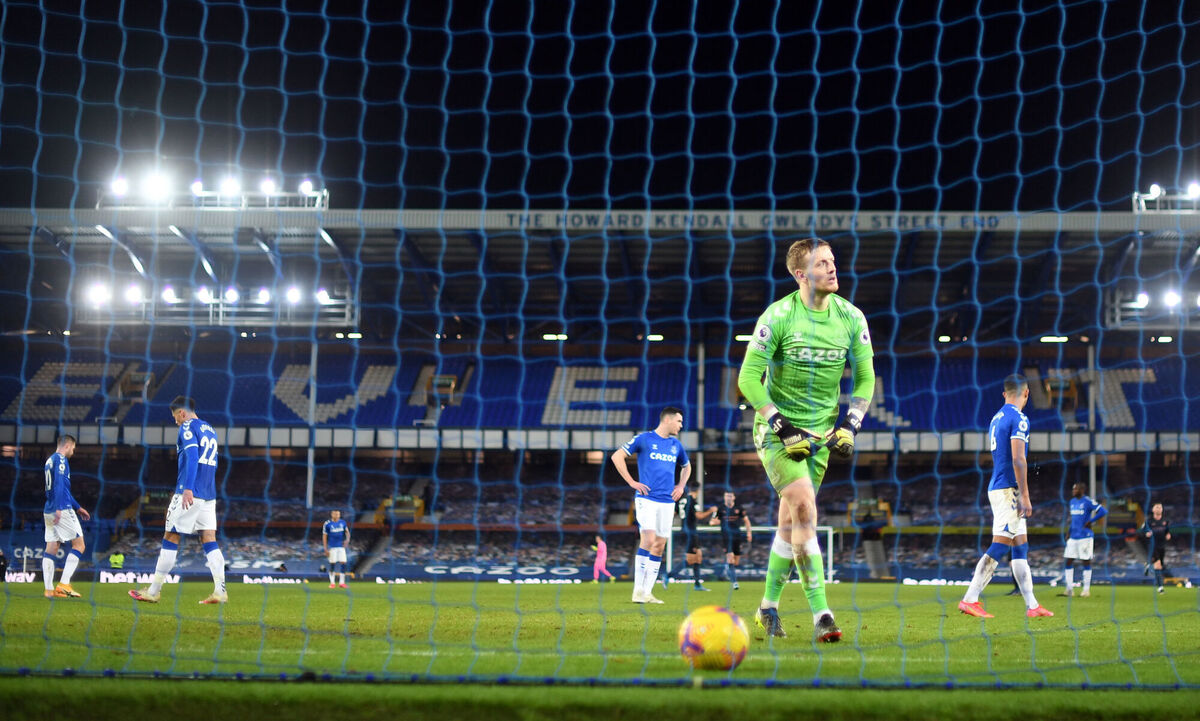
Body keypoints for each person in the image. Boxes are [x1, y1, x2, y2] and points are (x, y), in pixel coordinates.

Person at [737, 238, 875, 642]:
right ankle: (822, 615)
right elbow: (748, 379)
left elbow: (865, 376)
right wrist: (780, 425)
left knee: (789, 524)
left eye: (833, 261)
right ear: (800, 274)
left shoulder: (851, 317)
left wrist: (851, 421)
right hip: (778, 432)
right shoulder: (777, 316)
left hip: (820, 436)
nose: (833, 268)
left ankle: (767, 608)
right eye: (822, 263)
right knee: (804, 507)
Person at [958, 375, 1053, 619]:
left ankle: (1032, 606)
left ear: (1004, 394)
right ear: (1027, 393)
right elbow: (1018, 458)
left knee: (1021, 546)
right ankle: (970, 599)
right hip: (1009, 489)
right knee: (1001, 543)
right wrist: (1025, 495)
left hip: (998, 485)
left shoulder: (996, 417)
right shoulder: (1019, 418)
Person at [131, 396, 227, 605]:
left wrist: (188, 489)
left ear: (182, 413)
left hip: (191, 491)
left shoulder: (186, 427)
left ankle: (154, 591)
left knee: (171, 536)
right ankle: (220, 591)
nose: (175, 421)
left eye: (175, 417)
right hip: (209, 494)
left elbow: (192, 457)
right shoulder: (209, 429)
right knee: (209, 538)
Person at [610, 406, 691, 604]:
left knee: (660, 545)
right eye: (679, 421)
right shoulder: (644, 439)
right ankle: (637, 590)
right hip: (646, 498)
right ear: (668, 420)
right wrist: (632, 482)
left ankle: (647, 592)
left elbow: (686, 467)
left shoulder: (676, 445)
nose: (681, 425)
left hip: (667, 501)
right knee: (648, 539)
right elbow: (616, 456)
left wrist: (680, 486)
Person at [42, 434, 90, 599]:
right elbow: (59, 485)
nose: (73, 453)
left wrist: (78, 507)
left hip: (48, 509)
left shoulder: (49, 461)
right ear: (68, 446)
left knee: (52, 548)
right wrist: (60, 508)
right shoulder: (62, 460)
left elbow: (61, 489)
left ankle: (49, 590)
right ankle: (63, 584)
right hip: (60, 508)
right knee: (79, 545)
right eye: (73, 449)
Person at [1064, 482, 1106, 597]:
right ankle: (1069, 589)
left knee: (1085, 561)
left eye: (1075, 489)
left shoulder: (1087, 501)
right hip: (1073, 536)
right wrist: (1069, 532)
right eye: (1073, 489)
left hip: (1085, 537)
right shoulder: (1072, 502)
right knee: (1068, 560)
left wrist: (1091, 521)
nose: (1073, 491)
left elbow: (1103, 511)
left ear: (1082, 490)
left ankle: (1086, 590)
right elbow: (1074, 520)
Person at [672, 488, 716, 590]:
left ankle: (697, 584)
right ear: (698, 491)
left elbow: (674, 514)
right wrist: (711, 510)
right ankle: (668, 575)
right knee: (691, 560)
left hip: (685, 530)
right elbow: (699, 516)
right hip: (691, 532)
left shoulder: (681, 500)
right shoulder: (693, 501)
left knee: (698, 556)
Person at [710, 491, 751, 590]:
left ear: (734, 497)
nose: (728, 497)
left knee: (736, 561)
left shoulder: (739, 508)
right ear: (724, 497)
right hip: (726, 537)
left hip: (737, 536)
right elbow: (711, 522)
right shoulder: (720, 509)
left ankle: (728, 568)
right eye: (726, 496)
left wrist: (749, 533)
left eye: (730, 496)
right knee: (730, 557)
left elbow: (746, 521)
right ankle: (735, 582)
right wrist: (721, 520)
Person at [1142, 503, 1171, 593]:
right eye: (1157, 507)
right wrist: (1146, 533)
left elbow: (1167, 532)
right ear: (1153, 510)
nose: (1159, 508)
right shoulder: (1149, 522)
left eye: (1160, 507)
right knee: (1158, 565)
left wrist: (1168, 535)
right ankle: (1160, 588)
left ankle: (1148, 565)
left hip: (1161, 546)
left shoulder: (1166, 521)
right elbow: (1143, 530)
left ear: (1162, 510)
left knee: (1160, 566)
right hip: (1152, 546)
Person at [323, 509, 351, 588]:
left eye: (338, 514)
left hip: (341, 547)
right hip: (332, 547)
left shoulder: (343, 523)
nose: (337, 516)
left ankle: (342, 583)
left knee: (343, 563)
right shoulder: (327, 524)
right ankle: (332, 583)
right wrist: (325, 548)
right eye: (335, 514)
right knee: (332, 564)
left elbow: (347, 532)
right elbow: (324, 536)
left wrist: (347, 540)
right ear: (332, 514)